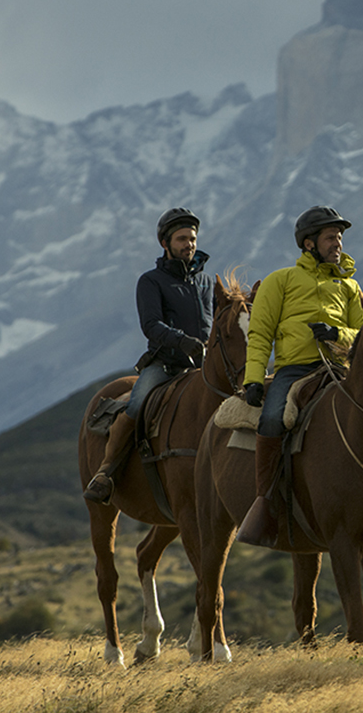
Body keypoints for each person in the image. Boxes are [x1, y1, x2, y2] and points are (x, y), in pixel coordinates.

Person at [237, 205, 363, 547]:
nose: (337, 243)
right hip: (294, 370)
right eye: (329, 237)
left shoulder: (351, 287)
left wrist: (338, 335)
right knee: (273, 421)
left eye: (339, 237)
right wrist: (253, 379)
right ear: (309, 244)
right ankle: (266, 501)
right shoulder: (281, 280)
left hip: (340, 370)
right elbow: (260, 333)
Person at [83, 207, 212, 503]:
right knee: (137, 406)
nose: (189, 244)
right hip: (165, 365)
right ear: (165, 244)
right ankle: (106, 472)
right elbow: (151, 326)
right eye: (181, 239)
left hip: (203, 366)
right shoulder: (151, 281)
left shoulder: (206, 283)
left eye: (192, 238)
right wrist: (183, 342)